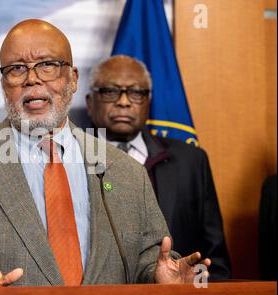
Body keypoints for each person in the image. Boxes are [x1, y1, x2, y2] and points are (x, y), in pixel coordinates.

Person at [0, 19, 211, 295]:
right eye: (17, 69)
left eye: (47, 65)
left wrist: (160, 280)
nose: (32, 79)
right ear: (4, 83)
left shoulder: (125, 170)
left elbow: (147, 260)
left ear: (73, 79)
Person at [86, 55, 230, 280]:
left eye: (136, 93)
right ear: (89, 103)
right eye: (110, 91)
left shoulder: (191, 161)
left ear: (148, 103)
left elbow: (216, 262)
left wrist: (195, 287)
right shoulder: (67, 161)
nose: (124, 101)